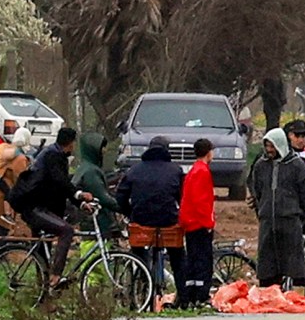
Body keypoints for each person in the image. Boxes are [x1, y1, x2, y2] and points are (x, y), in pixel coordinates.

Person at [7, 127, 88, 290]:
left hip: (42, 207)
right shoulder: (53, 155)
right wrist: (78, 194)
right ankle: (56, 275)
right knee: (66, 231)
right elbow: (60, 181)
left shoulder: (56, 154)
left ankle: (43, 291)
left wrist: (80, 204)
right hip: (35, 207)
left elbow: (61, 186)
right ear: (70, 143)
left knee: (42, 249)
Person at [248, 128, 305, 291]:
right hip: (267, 223)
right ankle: (270, 299)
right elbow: (257, 190)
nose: (270, 150)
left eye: (273, 146)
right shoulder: (261, 165)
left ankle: (297, 298)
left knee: (295, 266)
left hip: (290, 222)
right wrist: (262, 211)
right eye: (267, 146)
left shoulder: (296, 165)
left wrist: (298, 214)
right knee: (267, 267)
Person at [119, 137, 185, 302]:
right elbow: (183, 198)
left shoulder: (134, 171)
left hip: (141, 222)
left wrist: (130, 213)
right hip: (168, 222)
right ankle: (183, 296)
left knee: (139, 254)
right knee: (178, 258)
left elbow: (120, 197)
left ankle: (142, 283)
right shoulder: (175, 170)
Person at [175, 138, 217, 308]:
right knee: (203, 259)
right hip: (199, 223)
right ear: (208, 152)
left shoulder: (193, 170)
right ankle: (202, 294)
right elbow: (202, 201)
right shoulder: (203, 171)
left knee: (192, 258)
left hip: (190, 222)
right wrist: (208, 223)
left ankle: (191, 293)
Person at [72, 132, 123, 238]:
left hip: (87, 221)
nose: (105, 150)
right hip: (97, 222)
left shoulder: (84, 167)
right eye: (102, 147)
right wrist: (125, 208)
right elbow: (103, 198)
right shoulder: (91, 172)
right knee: (98, 247)